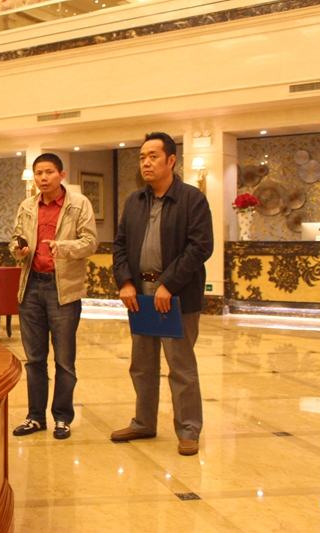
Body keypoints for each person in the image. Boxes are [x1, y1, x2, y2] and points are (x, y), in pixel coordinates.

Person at [111, 132, 214, 456]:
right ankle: (144, 422)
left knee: (181, 367)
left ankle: (188, 430)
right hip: (141, 297)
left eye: (153, 156)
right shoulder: (134, 201)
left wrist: (168, 284)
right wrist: (125, 281)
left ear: (171, 160)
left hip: (178, 297)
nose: (146, 162)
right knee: (142, 365)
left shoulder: (192, 199)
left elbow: (200, 247)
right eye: (142, 157)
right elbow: (120, 246)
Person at [10, 153, 99, 440]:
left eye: (49, 172)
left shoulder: (79, 204)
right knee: (34, 359)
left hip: (64, 289)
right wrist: (19, 250)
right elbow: (15, 240)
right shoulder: (27, 206)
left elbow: (90, 242)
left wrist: (63, 247)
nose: (43, 178)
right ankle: (35, 417)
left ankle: (62, 417)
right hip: (31, 286)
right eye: (38, 173)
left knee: (64, 360)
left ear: (61, 175)